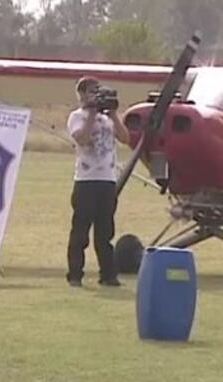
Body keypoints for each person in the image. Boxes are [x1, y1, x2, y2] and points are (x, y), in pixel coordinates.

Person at [66, 76, 128, 287]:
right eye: (92, 91)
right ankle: (75, 274)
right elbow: (81, 139)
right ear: (82, 94)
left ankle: (108, 275)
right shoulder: (76, 116)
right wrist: (91, 114)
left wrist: (113, 114)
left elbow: (125, 138)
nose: (96, 95)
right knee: (80, 231)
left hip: (107, 180)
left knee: (105, 231)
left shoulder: (109, 119)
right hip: (86, 181)